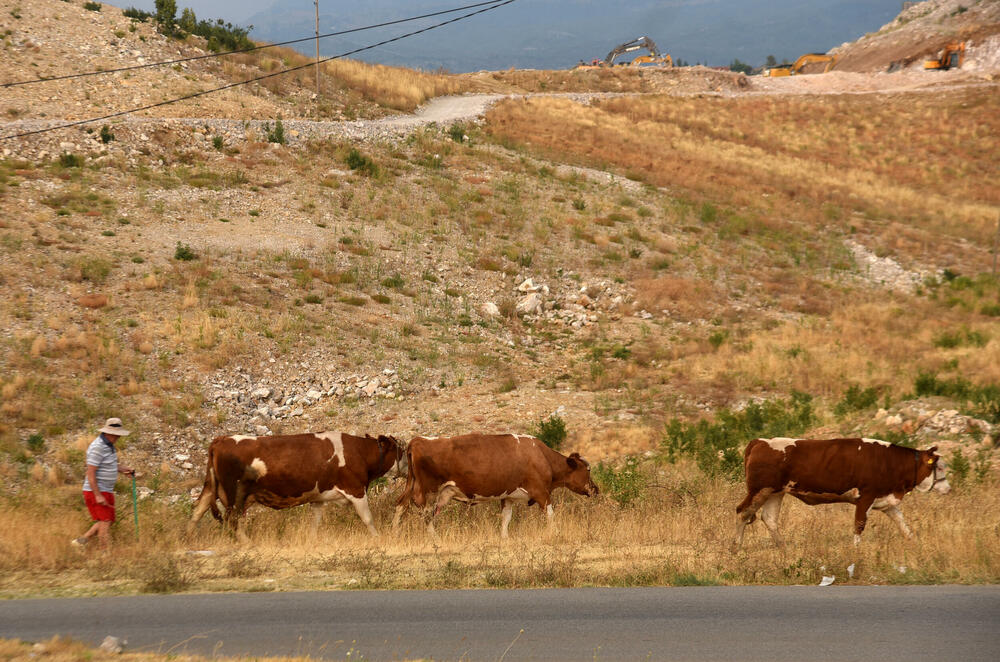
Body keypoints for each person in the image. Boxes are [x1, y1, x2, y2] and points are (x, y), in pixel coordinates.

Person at [71, 417, 135, 549]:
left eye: (119, 435)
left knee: (107, 521)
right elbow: (90, 472)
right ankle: (104, 555)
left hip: (106, 490)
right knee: (105, 522)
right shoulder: (97, 447)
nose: (118, 437)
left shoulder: (109, 446)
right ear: (108, 432)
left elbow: (108, 465)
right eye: (116, 434)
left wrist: (123, 469)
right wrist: (98, 495)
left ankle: (80, 542)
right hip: (97, 490)